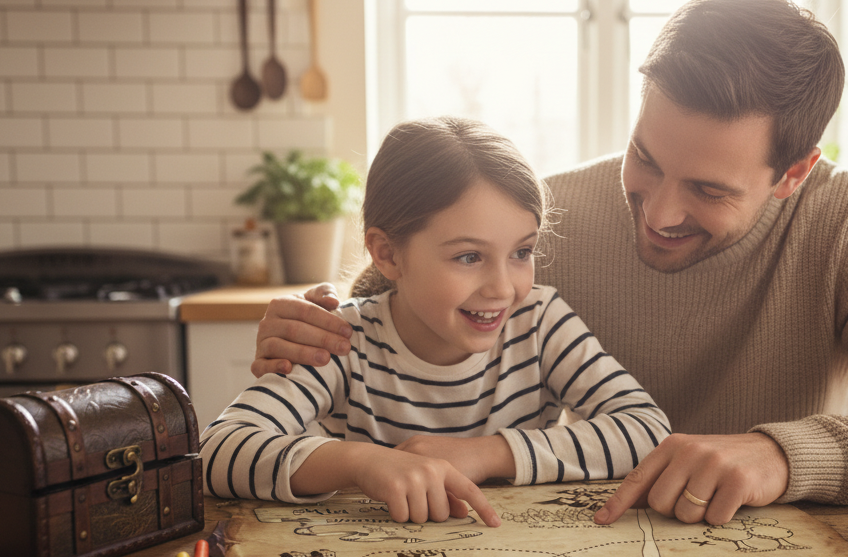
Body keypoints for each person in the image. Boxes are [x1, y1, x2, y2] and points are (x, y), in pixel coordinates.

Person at [248, 0, 848, 527]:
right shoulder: (549, 217)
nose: (658, 212)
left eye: (708, 190)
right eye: (645, 157)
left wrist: (781, 456)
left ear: (793, 174)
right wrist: (319, 321)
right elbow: (402, 301)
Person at [201, 117, 670, 527]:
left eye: (521, 252)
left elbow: (648, 431)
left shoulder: (540, 323)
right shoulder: (341, 340)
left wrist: (487, 454)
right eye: (469, 257)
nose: (503, 288)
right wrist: (361, 462)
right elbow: (216, 451)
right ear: (388, 254)